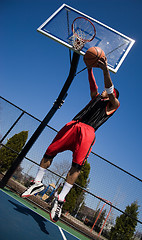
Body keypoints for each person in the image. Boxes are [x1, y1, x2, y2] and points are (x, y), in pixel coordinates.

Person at [21, 56, 120, 222]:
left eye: (108, 90)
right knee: (49, 152)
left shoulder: (113, 105)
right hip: (74, 125)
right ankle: (37, 182)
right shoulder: (96, 98)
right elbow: (92, 85)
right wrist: (89, 68)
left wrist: (105, 70)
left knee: (77, 166)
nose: (104, 89)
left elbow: (109, 89)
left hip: (88, 133)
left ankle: (60, 199)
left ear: (113, 95)